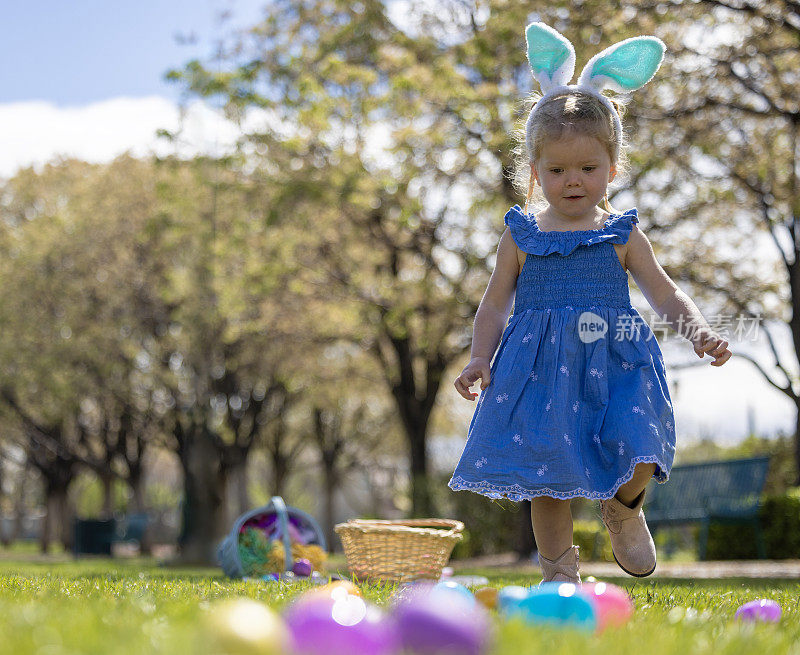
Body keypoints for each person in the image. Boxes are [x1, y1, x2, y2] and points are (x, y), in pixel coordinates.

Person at [449, 23, 733, 585]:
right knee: (548, 476)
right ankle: (559, 573)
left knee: (643, 440)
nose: (572, 181)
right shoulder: (521, 234)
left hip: (616, 361)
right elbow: (492, 306)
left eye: (588, 168)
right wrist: (481, 357)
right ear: (534, 172)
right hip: (538, 372)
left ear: (613, 167)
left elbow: (663, 289)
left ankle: (624, 508)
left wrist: (699, 329)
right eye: (556, 170)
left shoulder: (621, 234)